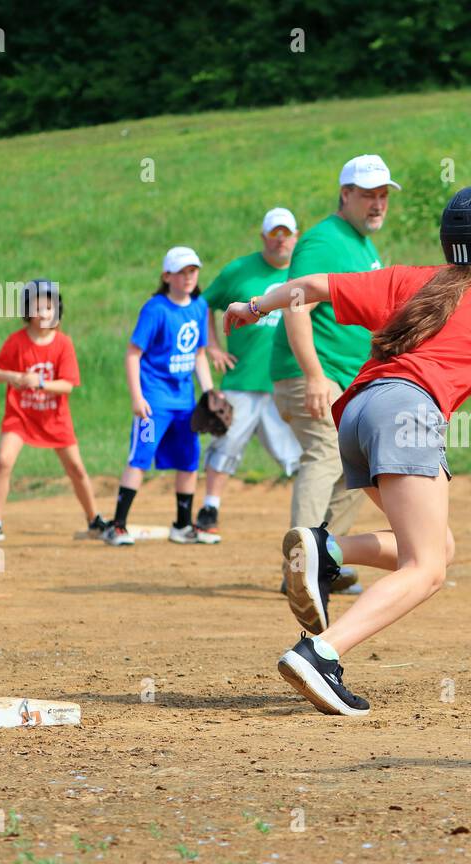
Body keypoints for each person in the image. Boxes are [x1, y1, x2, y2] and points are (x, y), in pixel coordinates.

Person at [224, 183, 471, 716]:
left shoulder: (414, 279)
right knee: (427, 569)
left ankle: (324, 551)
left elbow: (307, 286)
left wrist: (252, 305)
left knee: (436, 546)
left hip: (357, 410)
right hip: (406, 413)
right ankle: (321, 653)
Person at [269, 155, 397, 591]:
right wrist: (314, 375)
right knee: (325, 455)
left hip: (345, 379)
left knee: (352, 466)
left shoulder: (360, 243)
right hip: (313, 376)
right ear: (346, 195)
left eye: (383, 195)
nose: (378, 204)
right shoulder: (325, 240)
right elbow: (296, 304)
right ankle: (300, 566)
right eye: (368, 196)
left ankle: (324, 561)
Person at [194, 208, 304, 545]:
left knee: (302, 455)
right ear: (264, 237)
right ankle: (209, 509)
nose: (281, 240)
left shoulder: (304, 272)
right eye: (275, 233)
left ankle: (314, 520)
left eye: (286, 233)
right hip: (241, 378)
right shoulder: (239, 270)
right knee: (225, 443)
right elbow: (203, 303)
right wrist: (211, 345)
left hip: (285, 379)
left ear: (296, 237)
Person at [0, 279, 106, 542]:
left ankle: (94, 520)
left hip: (54, 417)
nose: (45, 313)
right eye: (39, 307)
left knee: (76, 469)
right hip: (21, 415)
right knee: (3, 461)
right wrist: (13, 376)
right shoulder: (16, 342)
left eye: (50, 307)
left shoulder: (63, 344)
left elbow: (67, 386)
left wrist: (41, 382)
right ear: (27, 311)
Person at [103, 247, 215, 546]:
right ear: (167, 276)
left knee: (189, 461)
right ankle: (117, 525)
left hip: (184, 403)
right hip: (154, 402)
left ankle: (182, 525)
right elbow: (132, 354)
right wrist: (137, 397)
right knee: (140, 457)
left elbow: (199, 354)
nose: (188, 277)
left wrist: (209, 392)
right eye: (181, 272)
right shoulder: (155, 308)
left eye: (193, 271)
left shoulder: (199, 306)